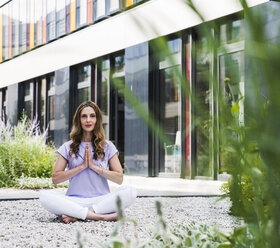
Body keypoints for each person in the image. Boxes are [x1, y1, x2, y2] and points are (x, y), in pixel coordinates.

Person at [40, 101, 137, 224]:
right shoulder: (67, 146)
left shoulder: (107, 146)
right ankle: (101, 217)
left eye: (92, 116)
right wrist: (82, 167)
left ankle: (79, 214)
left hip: (101, 201)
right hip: (74, 201)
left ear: (97, 119)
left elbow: (119, 179)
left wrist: (93, 167)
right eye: (84, 116)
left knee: (131, 191)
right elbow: (55, 179)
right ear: (78, 120)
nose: (88, 120)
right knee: (44, 196)